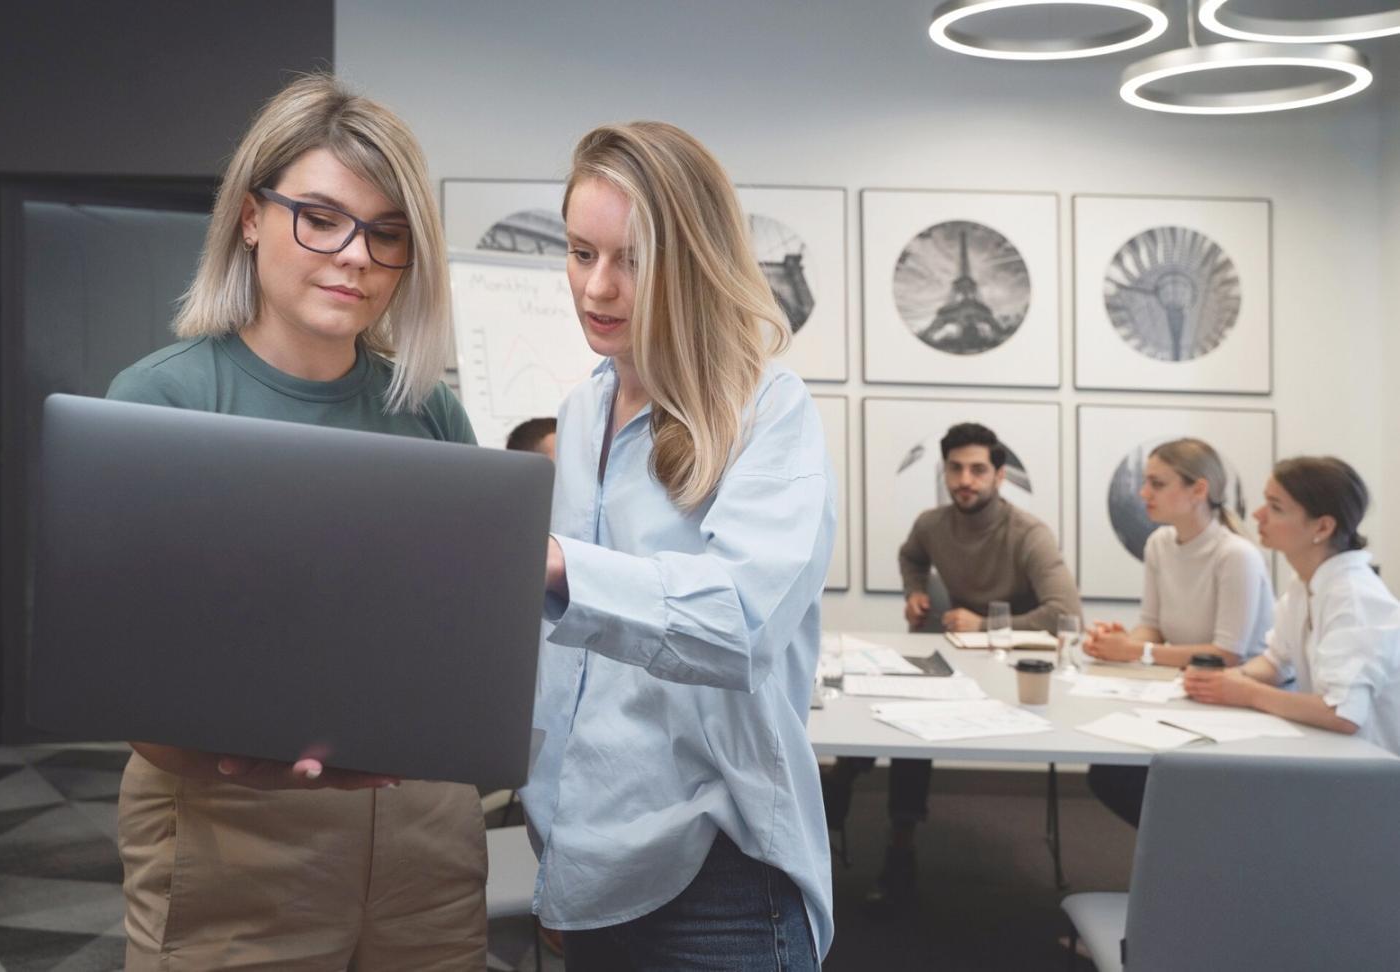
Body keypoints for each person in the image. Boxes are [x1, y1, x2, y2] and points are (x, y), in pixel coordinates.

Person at [106, 75, 486, 971]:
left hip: (421, 826)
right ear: (250, 217)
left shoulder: (428, 412)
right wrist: (227, 756)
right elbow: (119, 666)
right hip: (228, 822)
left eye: (387, 232)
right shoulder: (163, 400)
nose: (355, 255)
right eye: (320, 217)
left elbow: (465, 633)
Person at [520, 121, 835, 971]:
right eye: (581, 253)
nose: (598, 286)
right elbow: (575, 676)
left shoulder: (767, 409)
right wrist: (554, 837)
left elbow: (737, 624)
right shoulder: (583, 412)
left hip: (718, 881)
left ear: (692, 259)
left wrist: (554, 565)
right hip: (589, 862)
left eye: (630, 259)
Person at [824, 421, 1081, 914]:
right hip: (959, 653)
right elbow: (910, 556)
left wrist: (985, 624)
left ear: (1000, 475)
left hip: (1016, 667)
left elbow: (1066, 612)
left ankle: (847, 780)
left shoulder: (1028, 533)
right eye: (956, 469)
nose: (966, 479)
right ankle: (898, 840)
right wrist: (915, 591)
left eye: (978, 469)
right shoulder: (931, 524)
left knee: (915, 714)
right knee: (907, 713)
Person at [1083, 438, 1275, 825]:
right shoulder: (1159, 544)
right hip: (1188, 692)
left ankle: (1185, 854)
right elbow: (1152, 627)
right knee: (1107, 772)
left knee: (1123, 777)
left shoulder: (1235, 554)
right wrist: (1117, 643)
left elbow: (1227, 654)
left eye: (1157, 483)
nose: (1143, 493)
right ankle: (1179, 853)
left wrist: (1134, 652)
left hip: (1237, 701)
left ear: (1198, 490)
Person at [1185, 457, 1400, 755]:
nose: (1259, 515)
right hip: (1338, 758)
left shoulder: (1354, 597)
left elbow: (1343, 713)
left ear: (1323, 527)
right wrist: (1228, 680)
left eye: (1275, 507)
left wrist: (1247, 692)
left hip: (1376, 775)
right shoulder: (1304, 585)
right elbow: (1275, 662)